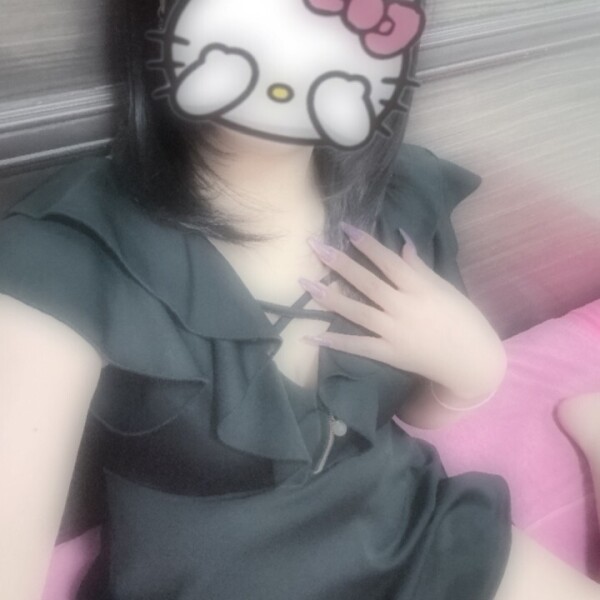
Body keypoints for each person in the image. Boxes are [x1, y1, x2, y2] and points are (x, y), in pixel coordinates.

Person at [1, 1, 599, 599]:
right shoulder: (69, 250)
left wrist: (473, 372)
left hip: (411, 539)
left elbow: (412, 408)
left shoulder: (402, 200)